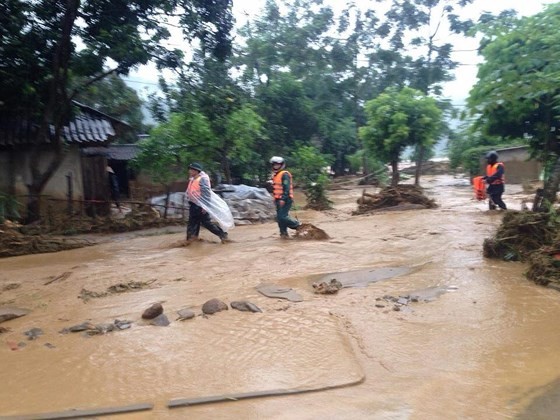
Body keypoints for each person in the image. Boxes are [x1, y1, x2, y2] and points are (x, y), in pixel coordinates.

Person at [185, 162, 229, 244]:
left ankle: (222, 234)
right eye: (190, 170)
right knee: (192, 223)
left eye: (191, 170)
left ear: (196, 171)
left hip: (201, 205)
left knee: (206, 223)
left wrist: (205, 206)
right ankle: (190, 241)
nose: (189, 171)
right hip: (193, 205)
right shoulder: (192, 179)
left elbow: (206, 193)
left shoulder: (202, 179)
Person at [270, 156, 301, 238]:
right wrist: (275, 198)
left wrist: (283, 199)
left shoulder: (284, 175)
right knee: (280, 219)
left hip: (285, 199)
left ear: (281, 165)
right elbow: (276, 189)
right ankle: (283, 234)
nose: (275, 166)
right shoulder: (275, 175)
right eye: (274, 165)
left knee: (281, 216)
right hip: (278, 199)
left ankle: (298, 226)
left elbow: (286, 188)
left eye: (277, 165)